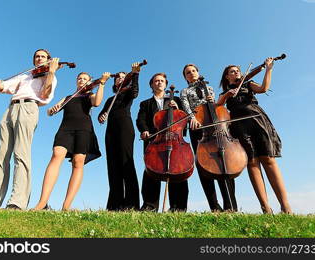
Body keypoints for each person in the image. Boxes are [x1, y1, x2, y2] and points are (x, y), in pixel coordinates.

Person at [0, 49, 59, 210]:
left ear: (49, 60)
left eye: (43, 56)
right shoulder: (26, 75)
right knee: (1, 155)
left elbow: (45, 95)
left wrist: (51, 72)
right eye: (37, 56)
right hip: (10, 109)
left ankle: (17, 202)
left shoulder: (49, 76)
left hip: (29, 107)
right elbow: (5, 86)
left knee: (21, 154)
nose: (39, 58)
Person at [216, 58, 292, 214]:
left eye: (238, 70)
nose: (236, 72)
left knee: (268, 159)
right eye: (232, 71)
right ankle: (265, 208)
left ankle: (285, 206)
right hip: (238, 125)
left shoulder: (248, 83)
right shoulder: (225, 93)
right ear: (226, 77)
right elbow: (217, 106)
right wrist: (226, 96)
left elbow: (264, 88)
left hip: (257, 120)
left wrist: (268, 69)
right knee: (252, 162)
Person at [33, 72, 110, 211]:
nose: (81, 80)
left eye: (85, 79)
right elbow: (50, 112)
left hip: (83, 130)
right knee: (56, 155)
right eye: (79, 78)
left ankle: (66, 206)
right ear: (76, 81)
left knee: (78, 162)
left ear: (89, 82)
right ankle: (42, 202)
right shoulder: (68, 97)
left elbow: (97, 103)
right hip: (65, 129)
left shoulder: (89, 96)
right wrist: (52, 110)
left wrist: (102, 83)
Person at [180, 63, 237, 212]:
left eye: (193, 71)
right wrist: (192, 118)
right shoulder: (184, 91)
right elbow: (186, 107)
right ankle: (214, 206)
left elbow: (218, 107)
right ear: (185, 77)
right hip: (197, 127)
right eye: (188, 73)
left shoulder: (209, 88)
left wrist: (213, 101)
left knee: (223, 162)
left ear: (198, 72)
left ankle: (230, 205)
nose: (191, 73)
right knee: (203, 165)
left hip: (215, 126)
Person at [136, 73, 189, 212]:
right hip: (154, 140)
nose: (159, 83)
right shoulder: (145, 103)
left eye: (161, 81)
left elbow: (184, 118)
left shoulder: (175, 99)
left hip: (175, 139)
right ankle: (150, 205)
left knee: (178, 168)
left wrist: (177, 108)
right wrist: (144, 130)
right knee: (151, 170)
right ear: (152, 85)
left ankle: (178, 206)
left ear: (166, 84)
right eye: (156, 81)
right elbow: (140, 120)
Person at [98, 63, 140, 211]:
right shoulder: (110, 99)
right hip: (110, 132)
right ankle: (115, 204)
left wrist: (135, 74)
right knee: (113, 166)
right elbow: (102, 114)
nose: (120, 79)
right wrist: (101, 117)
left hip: (125, 129)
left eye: (123, 77)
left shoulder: (128, 93)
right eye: (118, 77)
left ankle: (131, 203)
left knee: (125, 163)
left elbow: (135, 92)